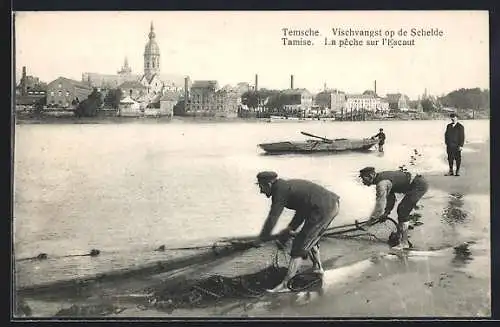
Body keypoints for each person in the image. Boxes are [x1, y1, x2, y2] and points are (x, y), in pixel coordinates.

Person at [255, 171, 340, 293]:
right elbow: (302, 208)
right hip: (328, 205)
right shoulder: (285, 187)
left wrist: (262, 238)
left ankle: (286, 284)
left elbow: (273, 216)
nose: (261, 191)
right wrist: (290, 228)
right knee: (310, 238)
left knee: (300, 244)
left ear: (269, 184)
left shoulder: (280, 191)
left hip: (324, 208)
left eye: (261, 186)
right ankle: (318, 268)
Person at [358, 167, 428, 249]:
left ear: (371, 176)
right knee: (402, 210)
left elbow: (379, 206)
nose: (363, 182)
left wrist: (369, 223)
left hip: (418, 185)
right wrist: (386, 213)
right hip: (417, 182)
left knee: (402, 211)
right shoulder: (382, 179)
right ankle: (400, 236)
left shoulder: (382, 184)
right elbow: (391, 198)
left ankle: (404, 243)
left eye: (363, 178)